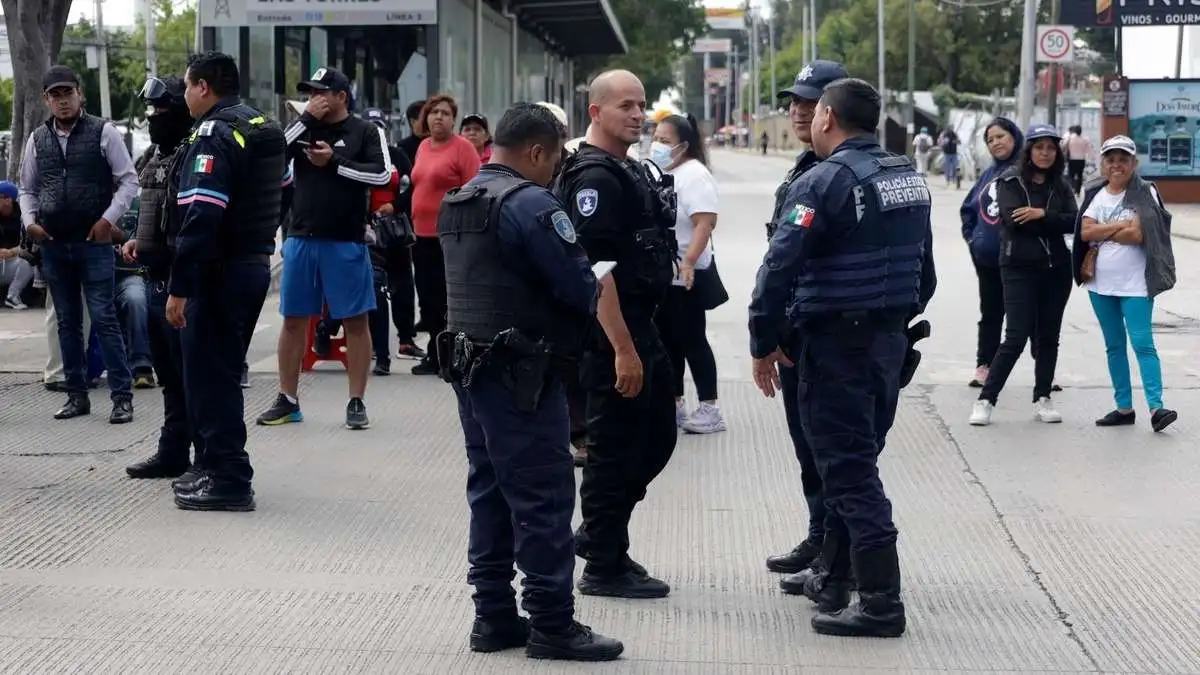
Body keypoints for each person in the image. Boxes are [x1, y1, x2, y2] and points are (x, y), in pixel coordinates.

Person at [749, 77, 936, 638]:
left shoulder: (825, 180)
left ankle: (881, 602)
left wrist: (763, 339)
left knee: (849, 472)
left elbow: (777, 269)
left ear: (827, 117)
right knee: (848, 463)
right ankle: (831, 577)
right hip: (887, 342)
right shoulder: (906, 177)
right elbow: (924, 273)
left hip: (836, 348)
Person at [438, 101, 623, 662]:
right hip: (523, 374)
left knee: (489, 490)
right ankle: (551, 623)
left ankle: (493, 616)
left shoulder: (458, 199)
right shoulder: (532, 204)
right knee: (543, 495)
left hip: (470, 366)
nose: (557, 167)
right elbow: (576, 283)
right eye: (555, 156)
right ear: (537, 151)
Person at [554, 69, 678, 599]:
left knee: (654, 438)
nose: (637, 114)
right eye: (625, 105)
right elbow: (595, 270)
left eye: (642, 105)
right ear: (595, 113)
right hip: (612, 334)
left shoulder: (629, 171)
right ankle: (604, 563)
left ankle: (603, 536)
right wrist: (623, 349)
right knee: (614, 447)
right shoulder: (596, 179)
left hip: (640, 327)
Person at [167, 51, 286, 511]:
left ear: (203, 86)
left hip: (219, 270)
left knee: (211, 375)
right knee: (219, 371)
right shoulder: (264, 126)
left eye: (185, 86)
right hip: (251, 263)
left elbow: (202, 214)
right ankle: (212, 462)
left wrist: (181, 286)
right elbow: (284, 190)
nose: (183, 95)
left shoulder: (215, 132)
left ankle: (229, 477)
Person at [259, 66, 392, 430]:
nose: (315, 98)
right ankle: (287, 398)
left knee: (355, 319)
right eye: (310, 92)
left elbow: (381, 175)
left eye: (321, 92)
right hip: (302, 236)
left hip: (345, 239)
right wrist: (303, 121)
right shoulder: (304, 127)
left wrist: (334, 162)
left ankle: (356, 400)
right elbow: (271, 161)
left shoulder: (365, 130)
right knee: (294, 319)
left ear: (341, 97)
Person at [760, 60, 847, 586]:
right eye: (794, 100)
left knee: (834, 451)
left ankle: (839, 558)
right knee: (806, 444)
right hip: (798, 328)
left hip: (832, 333)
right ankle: (820, 538)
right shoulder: (803, 168)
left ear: (833, 110)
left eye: (810, 102)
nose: (798, 110)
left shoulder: (847, 174)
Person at [18, 64, 139, 423]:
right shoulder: (37, 139)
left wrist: (108, 220)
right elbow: (27, 188)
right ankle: (76, 395)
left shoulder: (104, 132)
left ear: (79, 94)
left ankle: (122, 397)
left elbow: (128, 180)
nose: (63, 101)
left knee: (104, 318)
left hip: (93, 242)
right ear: (46, 100)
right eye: (55, 95)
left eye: (67, 93)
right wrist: (29, 222)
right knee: (67, 323)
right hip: (54, 243)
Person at [123, 76, 210, 480]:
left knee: (195, 376)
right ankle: (173, 452)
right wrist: (135, 242)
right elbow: (149, 210)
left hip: (184, 280)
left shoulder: (196, 153)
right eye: (151, 112)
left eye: (161, 112)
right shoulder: (151, 157)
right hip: (154, 274)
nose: (154, 119)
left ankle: (206, 457)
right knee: (170, 379)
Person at [969, 124, 1076, 427]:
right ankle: (986, 399)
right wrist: (1050, 220)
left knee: (1048, 337)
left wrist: (1041, 214)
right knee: (1015, 337)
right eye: (1039, 147)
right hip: (1018, 267)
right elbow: (1014, 219)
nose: (1045, 153)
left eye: (1051, 147)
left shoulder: (1062, 185)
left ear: (1057, 152)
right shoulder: (1010, 179)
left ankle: (1042, 396)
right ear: (1028, 150)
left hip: (1057, 269)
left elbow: (1074, 221)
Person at [1073, 135, 1177, 432]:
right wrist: (1120, 226)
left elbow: (1138, 235)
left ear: (1134, 163)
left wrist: (1102, 230)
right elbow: (1084, 232)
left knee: (1143, 344)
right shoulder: (1095, 192)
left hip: (1136, 285)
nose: (1116, 164)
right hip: (1100, 285)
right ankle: (1124, 408)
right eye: (1111, 159)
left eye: (1123, 159)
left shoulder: (1146, 192)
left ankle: (1157, 409)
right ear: (1103, 163)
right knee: (1114, 346)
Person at [649, 114, 727, 434]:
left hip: (687, 273)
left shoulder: (694, 175)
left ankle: (709, 407)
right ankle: (675, 402)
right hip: (666, 274)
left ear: (684, 145)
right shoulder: (664, 172)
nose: (657, 146)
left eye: (665, 141)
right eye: (656, 138)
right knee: (668, 341)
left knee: (692, 339)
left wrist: (689, 262)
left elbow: (704, 223)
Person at [409, 94, 481, 376]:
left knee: (448, 298)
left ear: (453, 119)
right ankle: (434, 355)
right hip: (421, 235)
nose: (438, 117)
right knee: (427, 298)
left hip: (451, 237)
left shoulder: (462, 148)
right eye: (433, 112)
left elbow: (476, 190)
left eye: (445, 113)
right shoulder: (423, 147)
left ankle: (453, 357)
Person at [961, 118, 1023, 388]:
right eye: (990, 139)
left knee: (1027, 316)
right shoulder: (988, 174)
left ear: (1014, 136)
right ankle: (984, 365)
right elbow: (969, 209)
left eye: (1001, 136)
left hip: (1021, 260)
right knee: (990, 314)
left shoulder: (1027, 170)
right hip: (987, 261)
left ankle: (1046, 372)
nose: (996, 142)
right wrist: (973, 239)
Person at [0, 181, 34, 309]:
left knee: (28, 261)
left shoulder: (23, 216)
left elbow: (30, 244)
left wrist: (12, 252)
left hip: (14, 262)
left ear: (8, 200)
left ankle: (12, 296)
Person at [1064, 125, 1092, 196]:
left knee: (1071, 175)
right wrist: (1090, 158)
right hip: (1081, 160)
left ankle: (1072, 188)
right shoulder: (1085, 139)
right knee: (1080, 176)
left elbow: (1064, 146)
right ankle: (1078, 191)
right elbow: (1088, 150)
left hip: (1072, 159)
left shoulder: (1070, 138)